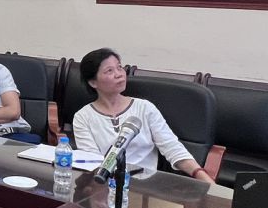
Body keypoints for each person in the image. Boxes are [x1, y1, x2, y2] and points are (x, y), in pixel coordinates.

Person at [70, 49, 213, 181]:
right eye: (109, 71)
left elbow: (172, 148)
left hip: (146, 187)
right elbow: (93, 163)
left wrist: (201, 176)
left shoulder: (144, 108)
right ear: (93, 82)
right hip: (106, 185)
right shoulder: (83, 117)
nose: (119, 74)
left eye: (119, 67)